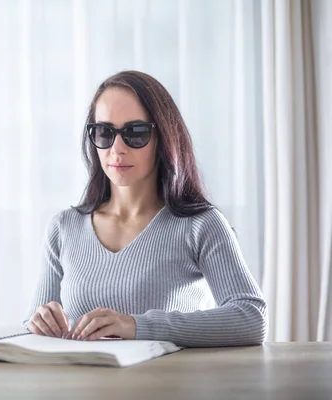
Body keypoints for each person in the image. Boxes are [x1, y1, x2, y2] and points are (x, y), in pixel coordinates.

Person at [22, 70, 267, 348]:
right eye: (104, 132)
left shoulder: (201, 225)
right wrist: (38, 322)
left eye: (135, 133)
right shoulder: (64, 227)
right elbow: (33, 325)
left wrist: (137, 326)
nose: (117, 148)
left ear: (163, 138)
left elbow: (251, 318)